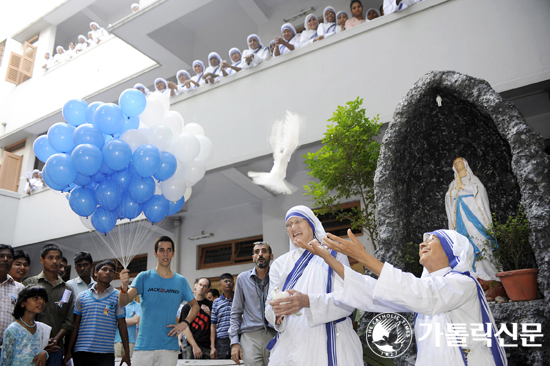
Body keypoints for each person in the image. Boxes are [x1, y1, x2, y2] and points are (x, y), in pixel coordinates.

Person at [313, 229, 508, 366]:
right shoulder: (423, 289)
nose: (423, 243)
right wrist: (328, 258)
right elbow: (372, 292)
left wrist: (364, 257)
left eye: (431, 239)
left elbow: (426, 295)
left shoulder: (464, 283)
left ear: (452, 249)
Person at [265, 206, 362, 366]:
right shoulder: (279, 264)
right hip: (291, 345)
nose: (293, 228)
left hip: (328, 340)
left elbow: (347, 300)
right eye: (288, 225)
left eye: (297, 221)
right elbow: (269, 308)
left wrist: (307, 302)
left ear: (311, 223)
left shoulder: (333, 253)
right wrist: (276, 313)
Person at [119, 236, 198, 366]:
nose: (165, 254)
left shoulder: (181, 281)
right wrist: (123, 286)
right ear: (155, 253)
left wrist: (185, 323)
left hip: (169, 348)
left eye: (168, 250)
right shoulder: (144, 277)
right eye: (161, 250)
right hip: (144, 346)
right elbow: (123, 302)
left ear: (173, 253)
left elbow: (195, 306)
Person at [64, 260, 130, 366]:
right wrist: (68, 351)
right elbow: (75, 325)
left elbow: (122, 325)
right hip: (82, 351)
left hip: (106, 353)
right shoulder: (82, 296)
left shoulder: (118, 296)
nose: (108, 272)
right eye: (104, 269)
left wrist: (127, 352)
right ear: (95, 273)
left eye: (111, 271)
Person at [445, 157, 499, 281]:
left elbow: (479, 192)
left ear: (465, 163)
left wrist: (462, 187)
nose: (458, 164)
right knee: (465, 243)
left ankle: (488, 274)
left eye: (459, 162)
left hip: (475, 217)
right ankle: (472, 274)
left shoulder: (473, 179)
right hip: (460, 217)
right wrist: (456, 188)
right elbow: (449, 197)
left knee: (479, 240)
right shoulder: (452, 183)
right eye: (455, 163)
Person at [23, 244, 74, 366]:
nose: (55, 261)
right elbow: (23, 315)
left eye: (58, 258)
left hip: (56, 348)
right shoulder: (30, 283)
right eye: (50, 257)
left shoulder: (67, 289)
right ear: (42, 260)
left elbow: (69, 320)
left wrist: (55, 339)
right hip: (31, 346)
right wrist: (40, 341)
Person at [230, 242, 276, 366]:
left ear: (271, 256)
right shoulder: (242, 278)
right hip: (250, 336)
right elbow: (236, 311)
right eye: (257, 252)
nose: (260, 254)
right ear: (253, 257)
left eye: (264, 251)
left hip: (275, 333)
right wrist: (234, 342)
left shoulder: (277, 277)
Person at [0, 285, 51, 366]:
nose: (41, 301)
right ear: (23, 303)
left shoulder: (41, 329)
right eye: (35, 298)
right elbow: (5, 361)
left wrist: (45, 353)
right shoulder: (13, 329)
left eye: (43, 298)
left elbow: (43, 350)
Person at [1, 244, 25, 358]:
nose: (5, 259)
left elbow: (23, 319)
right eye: (1, 256)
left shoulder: (20, 288)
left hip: (10, 349)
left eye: (9, 257)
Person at [180, 277, 212, 359]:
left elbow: (216, 325)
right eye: (200, 285)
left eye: (205, 286)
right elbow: (185, 328)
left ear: (208, 289)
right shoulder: (187, 307)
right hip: (192, 346)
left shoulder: (212, 305)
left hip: (208, 346)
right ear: (195, 286)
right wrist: (194, 346)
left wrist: (210, 314)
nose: (201, 288)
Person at [210, 273, 234, 360]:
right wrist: (212, 346)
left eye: (230, 281)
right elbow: (213, 325)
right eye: (225, 281)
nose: (228, 283)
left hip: (237, 337)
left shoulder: (238, 299)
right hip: (221, 340)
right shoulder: (216, 302)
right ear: (220, 285)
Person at [115, 293, 140, 359]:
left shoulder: (138, 306)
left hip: (131, 341)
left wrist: (120, 322)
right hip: (116, 341)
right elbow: (112, 321)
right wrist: (129, 321)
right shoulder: (116, 304)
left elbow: (135, 320)